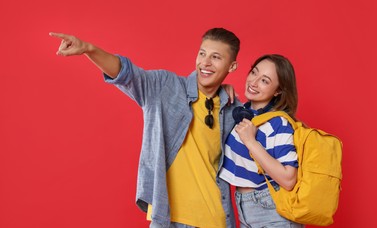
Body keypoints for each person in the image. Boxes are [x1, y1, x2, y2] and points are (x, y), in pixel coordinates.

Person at [49, 28, 241, 228]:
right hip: (168, 219)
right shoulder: (166, 87)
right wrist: (89, 49)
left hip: (217, 219)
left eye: (216, 57)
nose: (205, 62)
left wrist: (226, 95)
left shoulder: (233, 109)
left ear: (232, 66)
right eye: (202, 53)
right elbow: (128, 74)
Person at [219, 54, 304, 227]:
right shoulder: (243, 112)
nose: (253, 82)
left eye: (264, 81)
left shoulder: (278, 123)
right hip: (244, 208)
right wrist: (222, 90)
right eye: (253, 72)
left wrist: (251, 142)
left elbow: (289, 179)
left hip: (272, 211)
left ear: (278, 90)